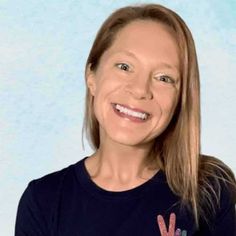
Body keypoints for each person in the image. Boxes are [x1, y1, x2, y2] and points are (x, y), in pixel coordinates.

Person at [15, 4, 236, 236]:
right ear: (92, 76)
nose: (140, 90)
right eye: (124, 66)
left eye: (164, 78)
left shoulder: (208, 190)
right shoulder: (43, 200)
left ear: (180, 99)